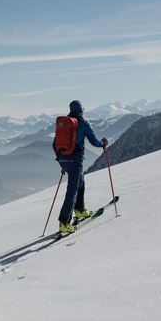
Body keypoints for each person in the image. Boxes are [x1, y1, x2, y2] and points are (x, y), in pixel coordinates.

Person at [53, 100, 108, 234]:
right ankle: (64, 222)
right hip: (75, 160)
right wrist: (103, 144)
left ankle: (80, 210)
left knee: (80, 183)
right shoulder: (82, 123)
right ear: (81, 110)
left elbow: (55, 144)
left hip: (63, 159)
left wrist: (62, 161)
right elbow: (94, 141)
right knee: (72, 190)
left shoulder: (64, 124)